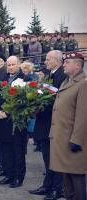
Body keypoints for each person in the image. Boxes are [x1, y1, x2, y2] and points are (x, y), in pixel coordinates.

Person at [29, 50, 66, 200]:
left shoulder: (62, 76)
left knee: (54, 159)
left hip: (53, 122)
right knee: (47, 158)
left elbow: (57, 99)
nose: (45, 62)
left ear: (57, 61)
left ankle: (57, 188)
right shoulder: (51, 75)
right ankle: (47, 185)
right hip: (45, 122)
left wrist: (39, 104)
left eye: (48, 59)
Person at [49, 52, 87, 200]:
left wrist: (76, 140)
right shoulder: (67, 81)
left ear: (77, 65)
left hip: (73, 140)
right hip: (62, 138)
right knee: (67, 181)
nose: (63, 64)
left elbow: (83, 116)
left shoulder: (83, 84)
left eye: (67, 62)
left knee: (76, 181)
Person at [0, 56, 27, 188]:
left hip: (16, 121)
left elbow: (25, 102)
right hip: (2, 120)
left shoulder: (26, 80)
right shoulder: (4, 79)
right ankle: (9, 174)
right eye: (9, 64)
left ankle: (18, 177)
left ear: (19, 65)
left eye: (13, 64)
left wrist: (8, 112)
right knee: (6, 150)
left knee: (17, 151)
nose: (10, 67)